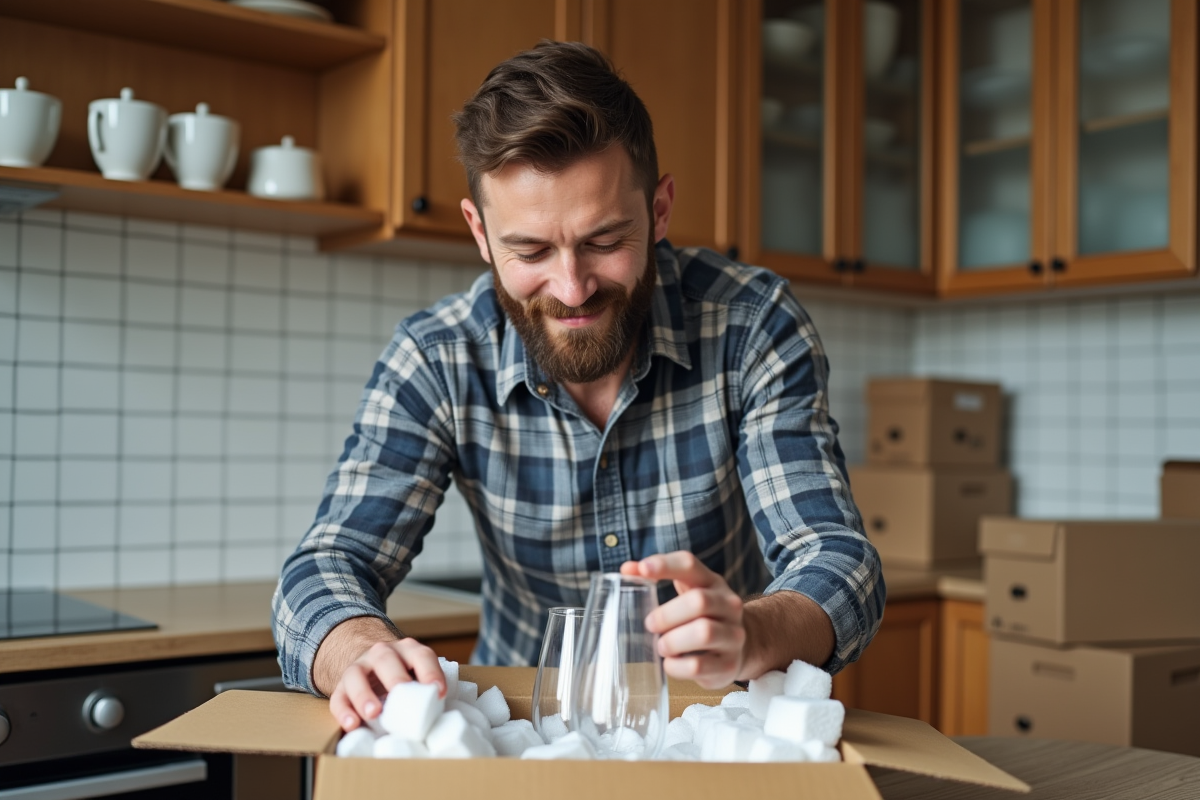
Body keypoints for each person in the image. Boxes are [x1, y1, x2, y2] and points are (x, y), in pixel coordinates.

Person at [272, 40, 885, 733]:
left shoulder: (753, 326)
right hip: (515, 730)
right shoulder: (436, 356)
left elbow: (838, 560)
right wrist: (357, 647)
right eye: (530, 250)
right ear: (479, 232)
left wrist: (753, 631)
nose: (571, 287)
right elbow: (325, 564)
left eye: (603, 240)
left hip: (712, 725)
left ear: (659, 211)